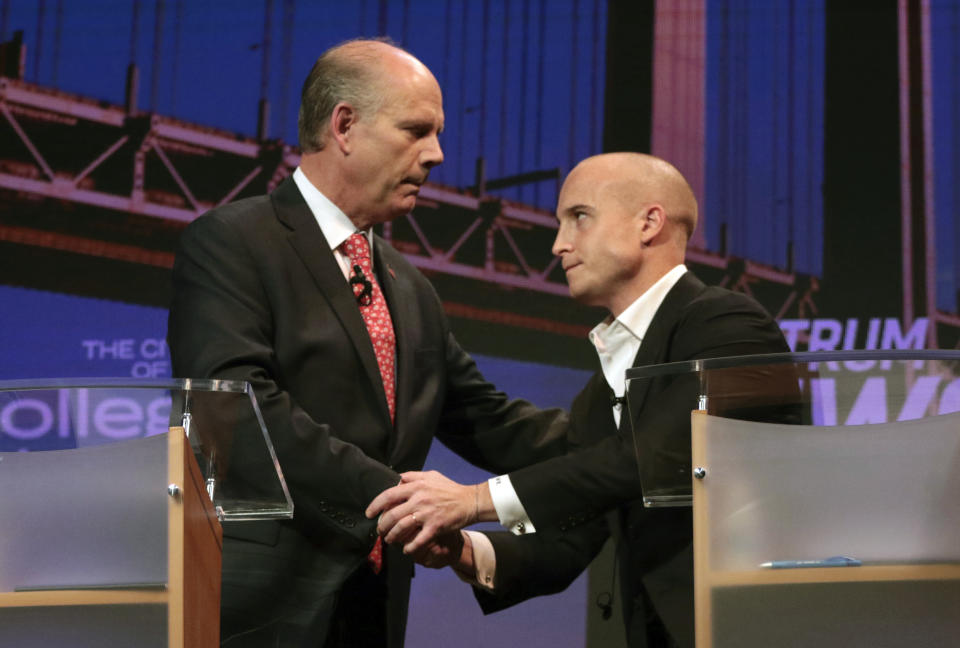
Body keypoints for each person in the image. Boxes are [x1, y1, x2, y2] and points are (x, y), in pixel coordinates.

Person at [167, 38, 567, 648]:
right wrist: (397, 500)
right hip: (262, 607)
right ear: (345, 125)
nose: (437, 155)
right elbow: (239, 410)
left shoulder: (408, 284)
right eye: (416, 130)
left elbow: (487, 420)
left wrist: (631, 440)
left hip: (375, 607)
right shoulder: (231, 242)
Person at [368, 152, 791, 647]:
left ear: (648, 223)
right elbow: (570, 542)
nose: (557, 245)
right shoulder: (599, 395)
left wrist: (474, 500)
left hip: (753, 628)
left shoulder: (730, 324)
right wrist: (461, 548)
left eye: (579, 218)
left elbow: (656, 458)